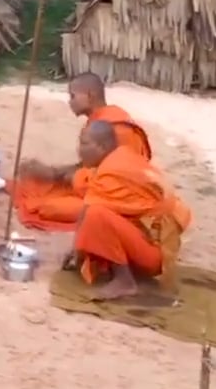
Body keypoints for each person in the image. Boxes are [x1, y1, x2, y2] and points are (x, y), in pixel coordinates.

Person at [67, 120, 194, 301]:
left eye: (84, 144)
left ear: (102, 146)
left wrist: (75, 252)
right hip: (152, 240)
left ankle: (124, 281)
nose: (79, 150)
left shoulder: (111, 171)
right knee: (96, 215)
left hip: (156, 255)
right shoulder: (120, 157)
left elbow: (87, 211)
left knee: (95, 215)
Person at [11, 73, 154, 229]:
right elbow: (89, 166)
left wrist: (70, 178)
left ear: (89, 95)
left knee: (48, 208)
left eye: (73, 96)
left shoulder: (118, 129)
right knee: (41, 186)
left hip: (121, 197)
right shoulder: (99, 121)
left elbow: (120, 179)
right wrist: (52, 172)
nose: (70, 102)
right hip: (99, 185)